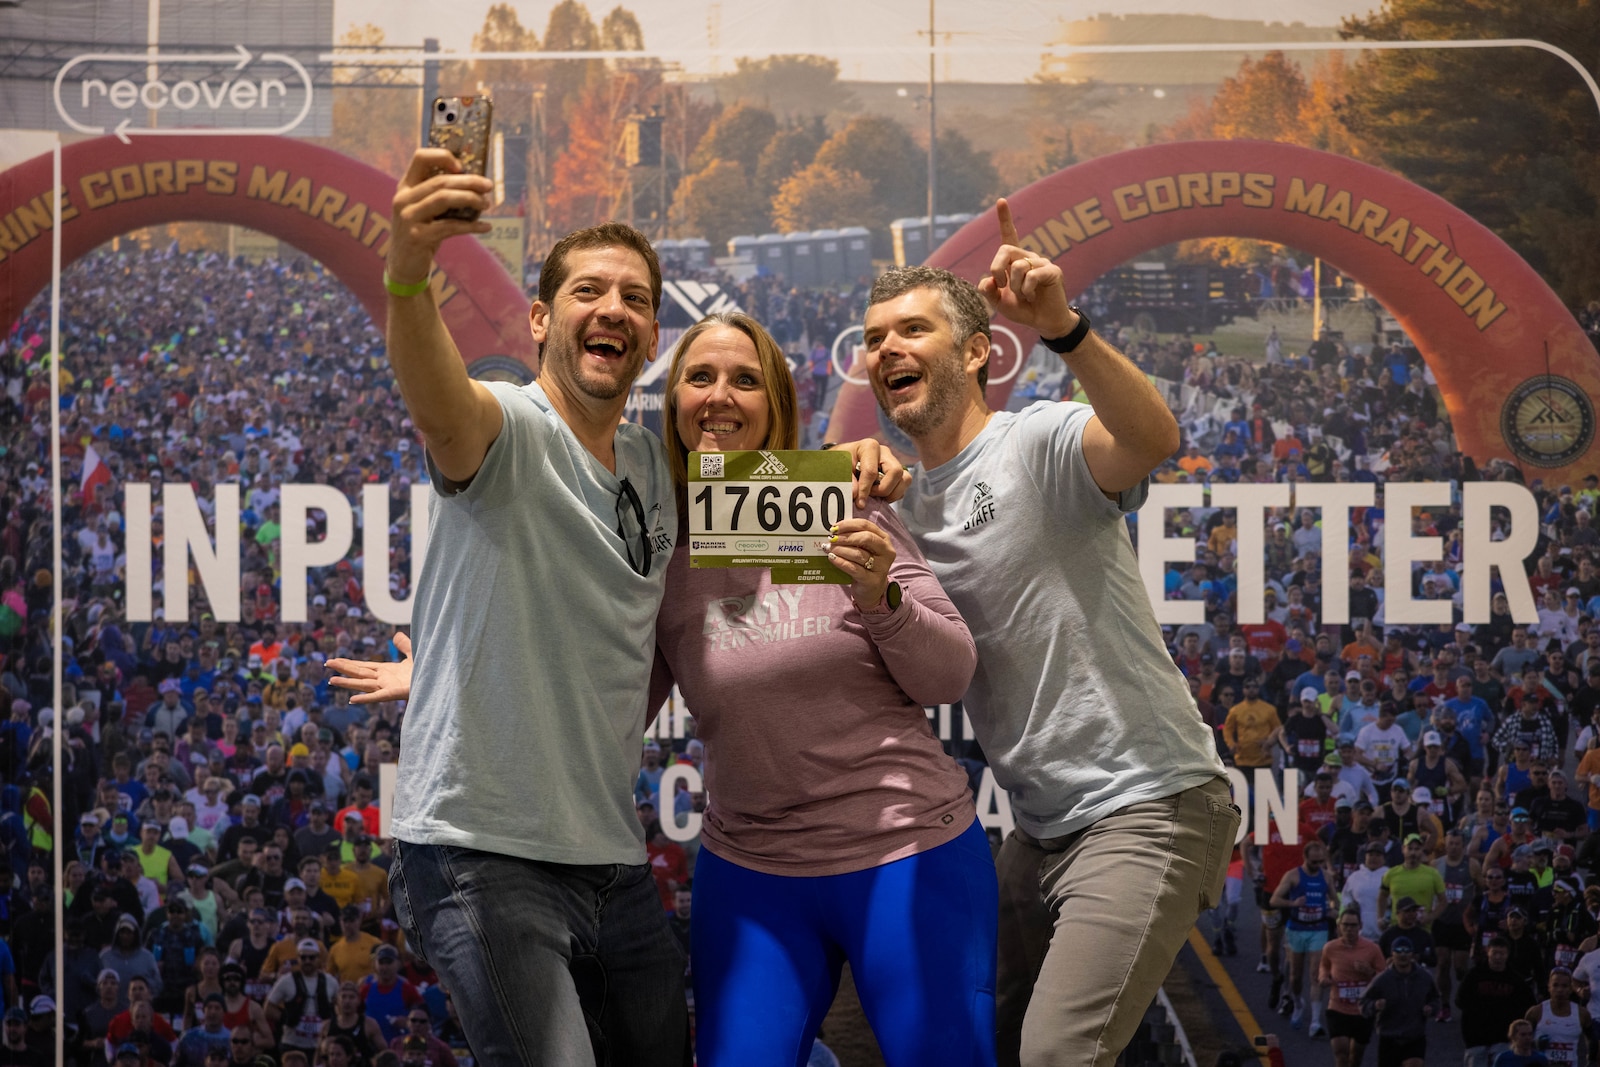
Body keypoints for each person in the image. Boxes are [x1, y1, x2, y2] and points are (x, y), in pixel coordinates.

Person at [331, 311, 997, 1065]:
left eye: (745, 379)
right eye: (700, 376)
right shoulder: (654, 538)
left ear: (776, 403)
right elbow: (603, 680)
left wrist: (882, 596)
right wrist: (454, 667)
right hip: (755, 871)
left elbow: (949, 675)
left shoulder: (841, 498)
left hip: (905, 846)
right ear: (672, 398)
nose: (720, 395)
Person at [370, 148, 900, 1064]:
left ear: (653, 336)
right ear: (540, 319)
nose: (612, 307)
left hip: (609, 858)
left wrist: (862, 461)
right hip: (480, 849)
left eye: (635, 298)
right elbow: (438, 405)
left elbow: (797, 495)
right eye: (586, 291)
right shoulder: (505, 426)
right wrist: (409, 272)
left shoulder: (664, 472)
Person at [859, 200, 1238, 1066]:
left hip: (1148, 803)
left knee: (1057, 1056)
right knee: (969, 1042)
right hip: (1038, 832)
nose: (888, 350)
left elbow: (1151, 436)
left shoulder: (1037, 438)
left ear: (975, 352)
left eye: (912, 329)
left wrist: (1064, 327)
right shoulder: (899, 505)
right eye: (875, 337)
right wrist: (842, 479)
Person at [1269, 840, 1334, 1034]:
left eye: (1321, 861)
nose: (1317, 866)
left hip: (1318, 929)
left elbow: (1335, 902)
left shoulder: (1327, 877)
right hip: (1296, 929)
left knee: (1315, 974)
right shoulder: (1293, 876)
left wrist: (1333, 911)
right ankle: (1298, 1003)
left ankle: (1315, 1022)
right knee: (1295, 977)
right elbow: (1274, 900)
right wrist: (1293, 903)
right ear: (1304, 858)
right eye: (1314, 862)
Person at [1457, 937, 1538, 1067]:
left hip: (1503, 1037)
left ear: (1508, 954)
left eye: (1502, 953)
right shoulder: (1474, 975)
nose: (1498, 957)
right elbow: (1460, 1001)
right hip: (1475, 1036)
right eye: (1495, 953)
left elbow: (1528, 1007)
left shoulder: (1515, 979)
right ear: (1487, 951)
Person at [1318, 908, 1384, 1067]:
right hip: (1337, 1007)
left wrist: (1369, 971)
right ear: (1339, 926)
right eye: (1345, 925)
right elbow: (1324, 966)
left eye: (1353, 925)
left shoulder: (1372, 949)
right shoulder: (1330, 947)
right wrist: (1323, 978)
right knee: (1341, 1053)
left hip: (1362, 1010)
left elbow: (1384, 977)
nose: (1349, 929)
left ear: (1360, 925)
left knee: (1355, 1056)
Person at [1359, 937, 1438, 1067]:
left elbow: (1435, 998)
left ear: (1412, 954)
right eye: (1399, 951)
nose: (1403, 955)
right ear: (1392, 954)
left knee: (1414, 1064)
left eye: (1406, 951)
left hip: (1415, 1036)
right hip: (1389, 1037)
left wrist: (1431, 1008)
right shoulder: (1382, 979)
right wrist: (1375, 1005)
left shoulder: (1424, 977)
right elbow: (1363, 1002)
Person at [1525, 967, 1589, 1066]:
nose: (1559, 990)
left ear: (1571, 988)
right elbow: (1519, 1041)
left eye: (1564, 986)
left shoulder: (1582, 1014)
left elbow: (1593, 1043)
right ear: (1549, 987)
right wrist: (1535, 1043)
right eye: (1555, 985)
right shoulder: (1536, 1012)